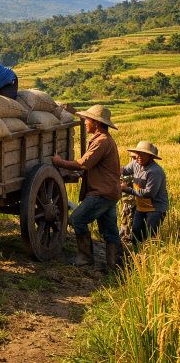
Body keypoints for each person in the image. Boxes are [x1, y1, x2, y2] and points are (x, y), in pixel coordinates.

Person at [52, 104, 121, 272]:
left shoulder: (102, 141)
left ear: (96, 123)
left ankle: (85, 257)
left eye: (87, 120)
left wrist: (58, 162)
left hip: (102, 193)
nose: (85, 124)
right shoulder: (103, 139)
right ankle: (113, 266)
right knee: (110, 230)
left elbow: (84, 163)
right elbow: (94, 167)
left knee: (77, 219)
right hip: (110, 191)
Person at [121, 141, 168, 250]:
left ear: (151, 157)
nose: (139, 157)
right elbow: (124, 170)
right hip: (141, 206)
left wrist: (127, 189)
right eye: (138, 154)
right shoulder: (135, 163)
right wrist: (112, 170)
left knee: (150, 236)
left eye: (143, 154)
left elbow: (149, 193)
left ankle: (151, 257)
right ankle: (136, 256)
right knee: (136, 233)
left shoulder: (155, 171)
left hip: (155, 208)